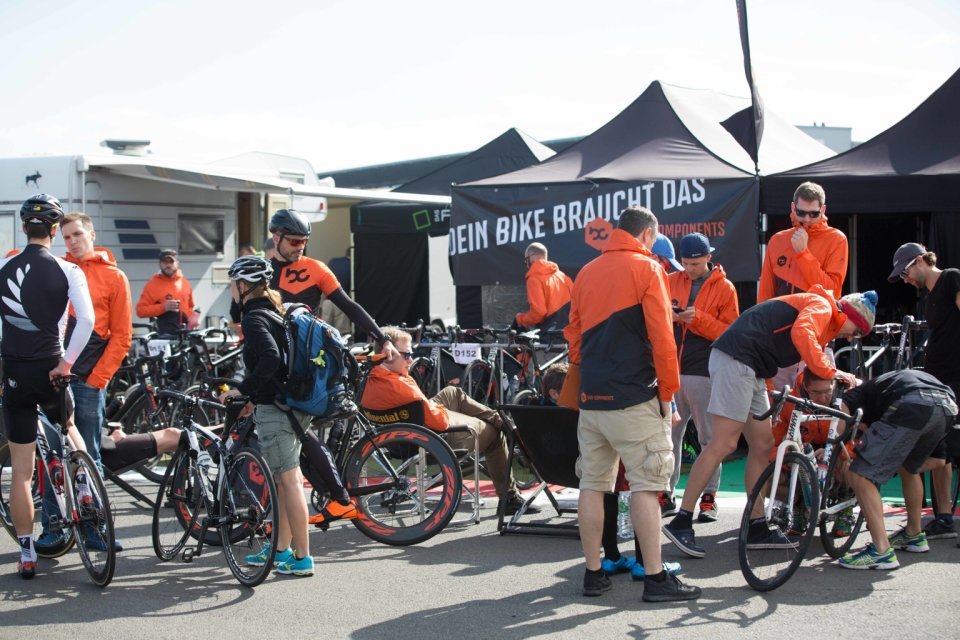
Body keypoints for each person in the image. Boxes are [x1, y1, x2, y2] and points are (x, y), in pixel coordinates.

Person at [663, 287, 875, 558]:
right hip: (737, 359)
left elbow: (782, 345)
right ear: (850, 315)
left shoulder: (820, 311)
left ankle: (756, 524)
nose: (852, 337)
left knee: (763, 444)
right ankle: (682, 521)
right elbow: (801, 335)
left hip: (751, 367)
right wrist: (832, 372)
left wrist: (770, 385)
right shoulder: (822, 306)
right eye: (857, 331)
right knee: (723, 443)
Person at [564, 206, 700, 602]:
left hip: (592, 396)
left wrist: (586, 371)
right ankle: (656, 579)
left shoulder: (587, 271)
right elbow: (662, 336)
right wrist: (667, 394)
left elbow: (573, 332)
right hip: (635, 395)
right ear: (647, 236)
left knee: (592, 484)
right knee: (647, 485)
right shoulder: (648, 269)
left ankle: (594, 574)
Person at [219, 255, 338, 577]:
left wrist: (243, 390)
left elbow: (270, 358)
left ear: (243, 286)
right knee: (282, 480)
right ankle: (282, 549)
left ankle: (303, 557)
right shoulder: (274, 312)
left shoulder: (256, 318)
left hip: (277, 408)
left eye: (233, 283)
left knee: (289, 480)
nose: (232, 288)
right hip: (292, 405)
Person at [0, 194, 94, 579]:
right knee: (70, 427)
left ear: (24, 228)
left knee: (22, 471)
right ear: (55, 230)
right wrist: (66, 363)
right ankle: (85, 484)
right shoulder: (68, 270)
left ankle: (26, 551)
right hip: (52, 370)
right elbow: (85, 321)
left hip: (16, 374)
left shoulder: (4, 266)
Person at [360, 327, 537, 515]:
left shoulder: (370, 380)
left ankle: (502, 422)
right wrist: (442, 410)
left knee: (453, 392)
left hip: (398, 440)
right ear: (388, 354)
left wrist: (435, 407)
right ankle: (509, 497)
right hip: (433, 439)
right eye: (406, 355)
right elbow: (439, 422)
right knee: (495, 434)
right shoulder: (402, 385)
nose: (411, 359)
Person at [36, 212, 132, 550]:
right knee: (51, 457)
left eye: (77, 234)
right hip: (54, 377)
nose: (73, 241)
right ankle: (53, 528)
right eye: (67, 236)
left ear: (91, 233)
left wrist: (96, 380)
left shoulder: (114, 277)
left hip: (89, 380)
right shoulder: (55, 269)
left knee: (87, 455)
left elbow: (122, 336)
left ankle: (94, 530)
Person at [837, 369, 958, 569]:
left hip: (912, 403)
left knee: (858, 474)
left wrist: (836, 448)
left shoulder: (861, 391)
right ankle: (913, 534)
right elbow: (938, 461)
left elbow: (841, 410)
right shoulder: (891, 385)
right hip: (947, 405)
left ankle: (881, 551)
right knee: (909, 467)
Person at [662, 233, 739, 522]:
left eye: (694, 263)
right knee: (668, 437)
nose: (689, 269)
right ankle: (665, 494)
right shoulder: (671, 279)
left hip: (705, 370)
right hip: (671, 371)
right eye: (685, 263)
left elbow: (731, 333)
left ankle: (709, 497)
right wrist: (670, 316)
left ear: (708, 257)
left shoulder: (725, 287)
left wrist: (698, 320)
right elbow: (654, 317)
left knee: (710, 439)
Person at [889, 242, 960, 541]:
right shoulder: (931, 296)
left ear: (919, 261)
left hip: (956, 379)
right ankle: (943, 518)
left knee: (944, 451)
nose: (904, 279)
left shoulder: (951, 278)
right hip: (939, 382)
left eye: (904, 272)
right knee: (939, 449)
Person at [267, 209, 398, 359]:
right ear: (276, 238)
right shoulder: (261, 272)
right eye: (295, 241)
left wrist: (383, 339)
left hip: (308, 353)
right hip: (273, 352)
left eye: (304, 241)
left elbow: (349, 306)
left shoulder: (317, 268)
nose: (300, 247)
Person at [759, 182, 849, 388]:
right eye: (801, 213)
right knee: (776, 406)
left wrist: (802, 253)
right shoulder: (777, 241)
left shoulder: (836, 239)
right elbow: (765, 294)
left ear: (823, 211)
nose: (807, 219)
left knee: (816, 405)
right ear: (793, 208)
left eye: (813, 214)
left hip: (816, 338)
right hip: (779, 339)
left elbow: (832, 291)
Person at [136, 249, 199, 335]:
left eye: (171, 262)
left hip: (184, 335)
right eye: (165, 262)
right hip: (162, 337)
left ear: (177, 263)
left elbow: (190, 307)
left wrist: (192, 319)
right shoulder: (152, 285)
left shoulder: (185, 283)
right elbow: (140, 311)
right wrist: (163, 307)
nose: (168, 265)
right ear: (160, 264)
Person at [514, 242, 574, 332]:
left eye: (526, 260)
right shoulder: (563, 277)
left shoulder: (534, 279)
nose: (527, 264)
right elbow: (576, 304)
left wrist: (520, 319)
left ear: (531, 256)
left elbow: (539, 312)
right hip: (569, 332)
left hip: (550, 335)